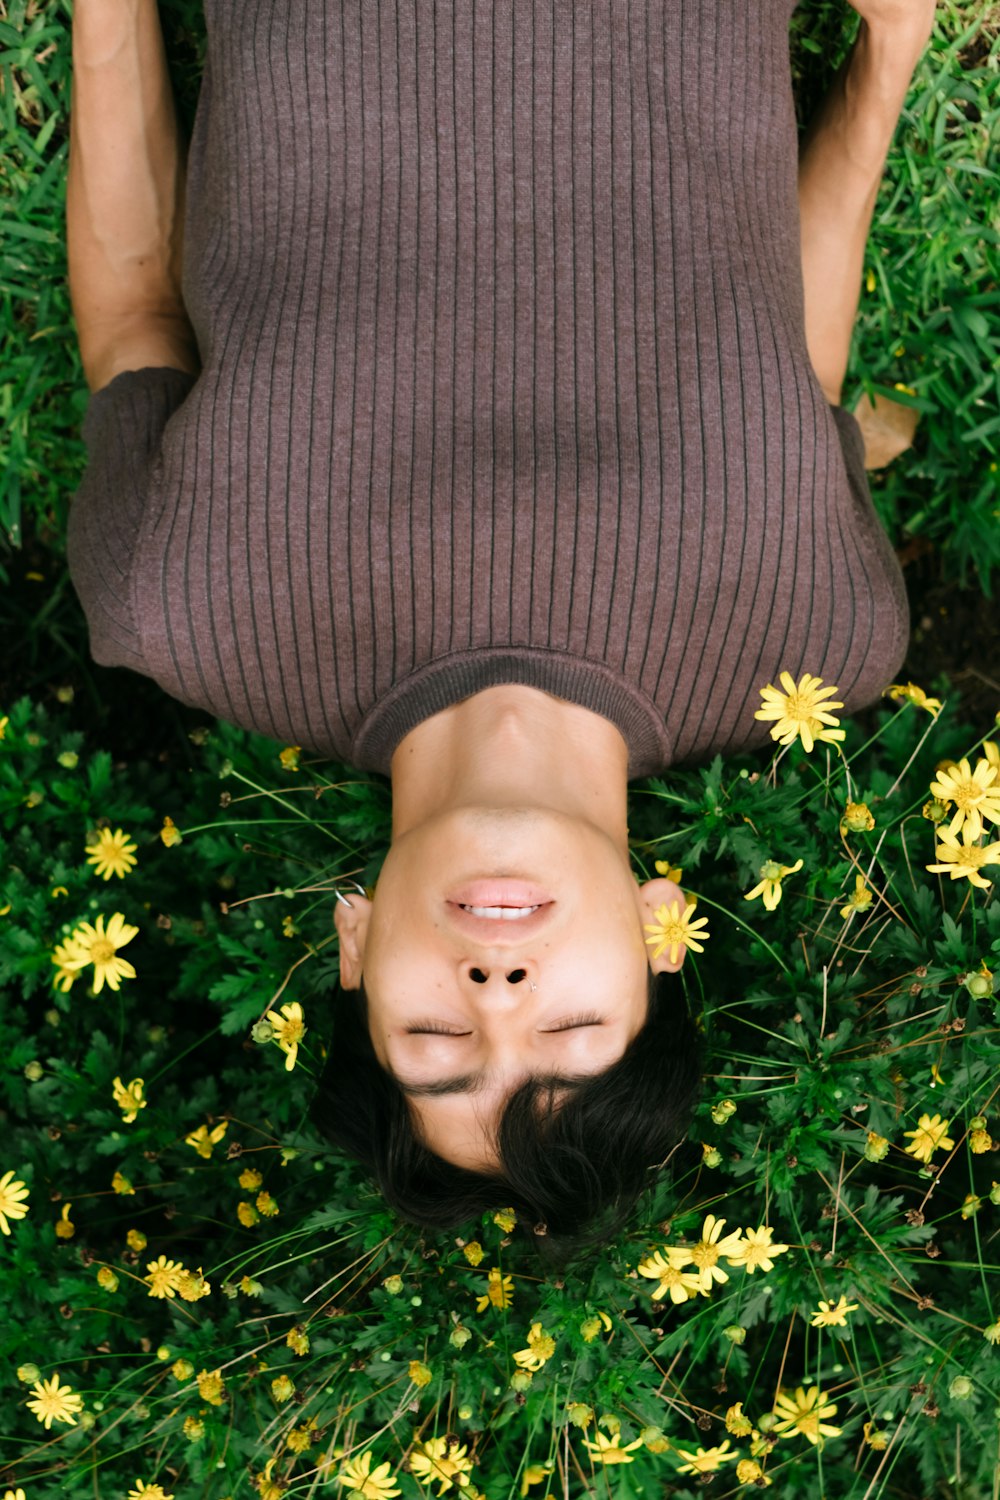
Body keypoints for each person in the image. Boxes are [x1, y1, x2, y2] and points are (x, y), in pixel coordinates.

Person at [65, 0, 932, 1244]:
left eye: (435, 1037)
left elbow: (136, 312)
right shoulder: (815, 637)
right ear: (659, 936)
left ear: (351, 948)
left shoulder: (180, 608)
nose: (497, 992)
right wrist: (886, 56)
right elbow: (789, 376)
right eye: (570, 1031)